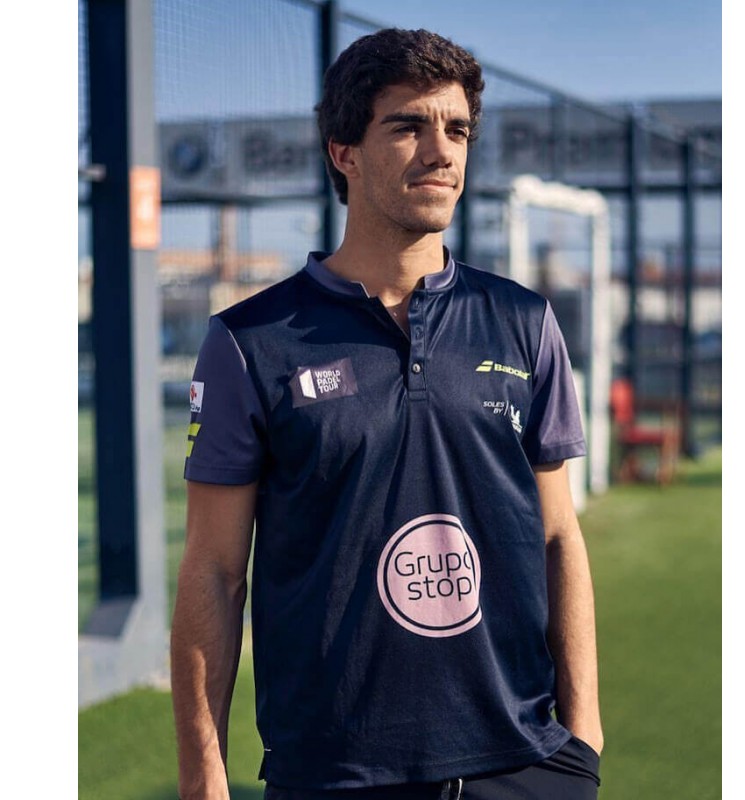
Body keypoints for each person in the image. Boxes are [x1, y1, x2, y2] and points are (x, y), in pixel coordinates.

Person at [171, 27, 603, 800]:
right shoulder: (249, 343)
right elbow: (214, 570)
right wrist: (204, 776)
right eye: (408, 126)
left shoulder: (524, 321)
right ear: (344, 152)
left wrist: (583, 738)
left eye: (457, 130)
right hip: (336, 775)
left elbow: (556, 536)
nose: (442, 152)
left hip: (524, 764)